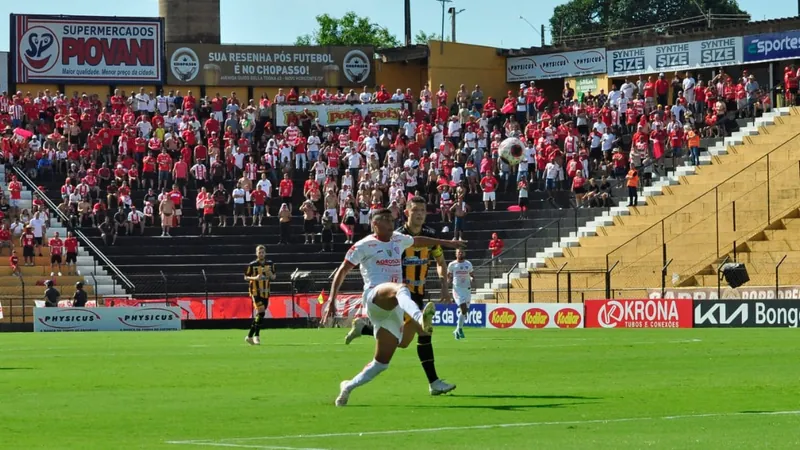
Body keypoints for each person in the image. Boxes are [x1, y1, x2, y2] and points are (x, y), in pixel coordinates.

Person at [322, 208, 466, 406]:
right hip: (375, 295)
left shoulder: (398, 239)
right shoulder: (363, 245)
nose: (391, 223)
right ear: (375, 224)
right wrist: (331, 300)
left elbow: (419, 241)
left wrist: (447, 243)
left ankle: (347, 386)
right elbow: (342, 270)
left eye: (392, 219)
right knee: (401, 289)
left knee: (382, 362)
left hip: (393, 308)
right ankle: (418, 316)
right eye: (386, 220)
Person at [243, 245, 275, 345]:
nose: (261, 254)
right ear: (256, 253)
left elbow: (274, 277)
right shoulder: (252, 265)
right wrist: (255, 278)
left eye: (262, 252)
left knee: (261, 314)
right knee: (261, 311)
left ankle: (249, 336)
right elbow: (245, 277)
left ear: (265, 253)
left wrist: (270, 274)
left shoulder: (270, 264)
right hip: (255, 291)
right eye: (259, 252)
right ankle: (256, 336)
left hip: (266, 292)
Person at [447, 249, 474, 340]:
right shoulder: (452, 265)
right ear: (456, 254)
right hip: (457, 289)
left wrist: (472, 278)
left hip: (467, 289)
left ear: (464, 253)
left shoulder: (468, 264)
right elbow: (449, 275)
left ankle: (458, 329)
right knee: (463, 308)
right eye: (459, 252)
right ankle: (460, 330)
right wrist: (448, 281)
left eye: (462, 252)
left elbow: (472, 274)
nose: (460, 253)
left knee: (465, 311)